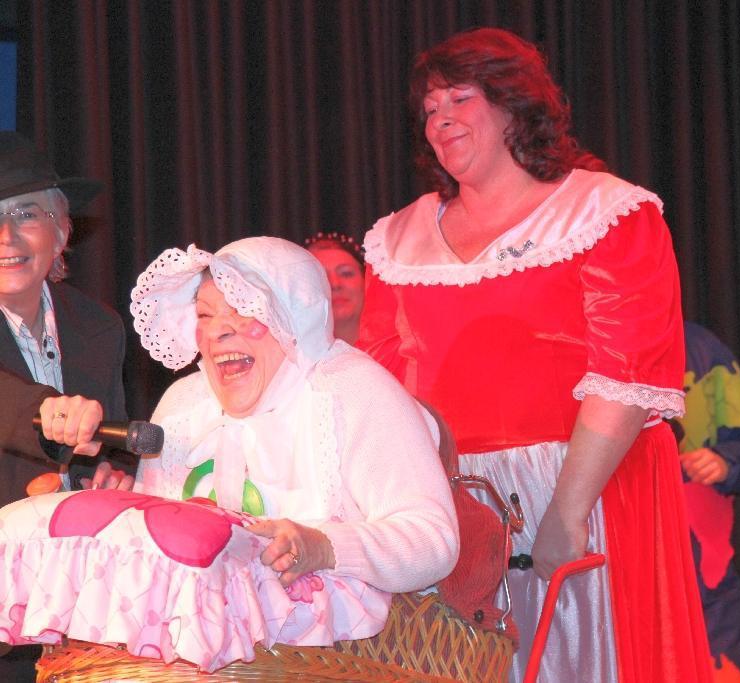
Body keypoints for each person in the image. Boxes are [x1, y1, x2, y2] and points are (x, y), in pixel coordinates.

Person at [358, 27, 712, 682]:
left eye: (459, 99)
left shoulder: (604, 212)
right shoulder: (398, 238)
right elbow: (374, 391)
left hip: (584, 484)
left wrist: (567, 512)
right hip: (452, 506)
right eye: (430, 109)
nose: (440, 121)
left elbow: (625, 374)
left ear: (512, 104)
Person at [129, 236, 458, 617]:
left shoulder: (351, 390)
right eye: (204, 315)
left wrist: (323, 546)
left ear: (292, 315)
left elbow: (432, 541)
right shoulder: (183, 405)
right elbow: (146, 546)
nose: (218, 331)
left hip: (344, 649)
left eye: (242, 309)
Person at [0, 133, 134, 679]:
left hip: (81, 616)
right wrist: (49, 412)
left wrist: (112, 475)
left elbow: (115, 445)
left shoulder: (99, 325)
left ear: (61, 232)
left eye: (26, 213)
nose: (6, 236)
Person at [668, 321, 740, 681]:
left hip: (703, 570)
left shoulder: (703, 351)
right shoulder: (585, 345)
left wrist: (724, 462)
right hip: (617, 562)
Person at [304, 231, 365, 344]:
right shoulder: (287, 353)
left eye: (346, 273)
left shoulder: (398, 348)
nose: (334, 284)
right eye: (321, 276)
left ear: (365, 281)